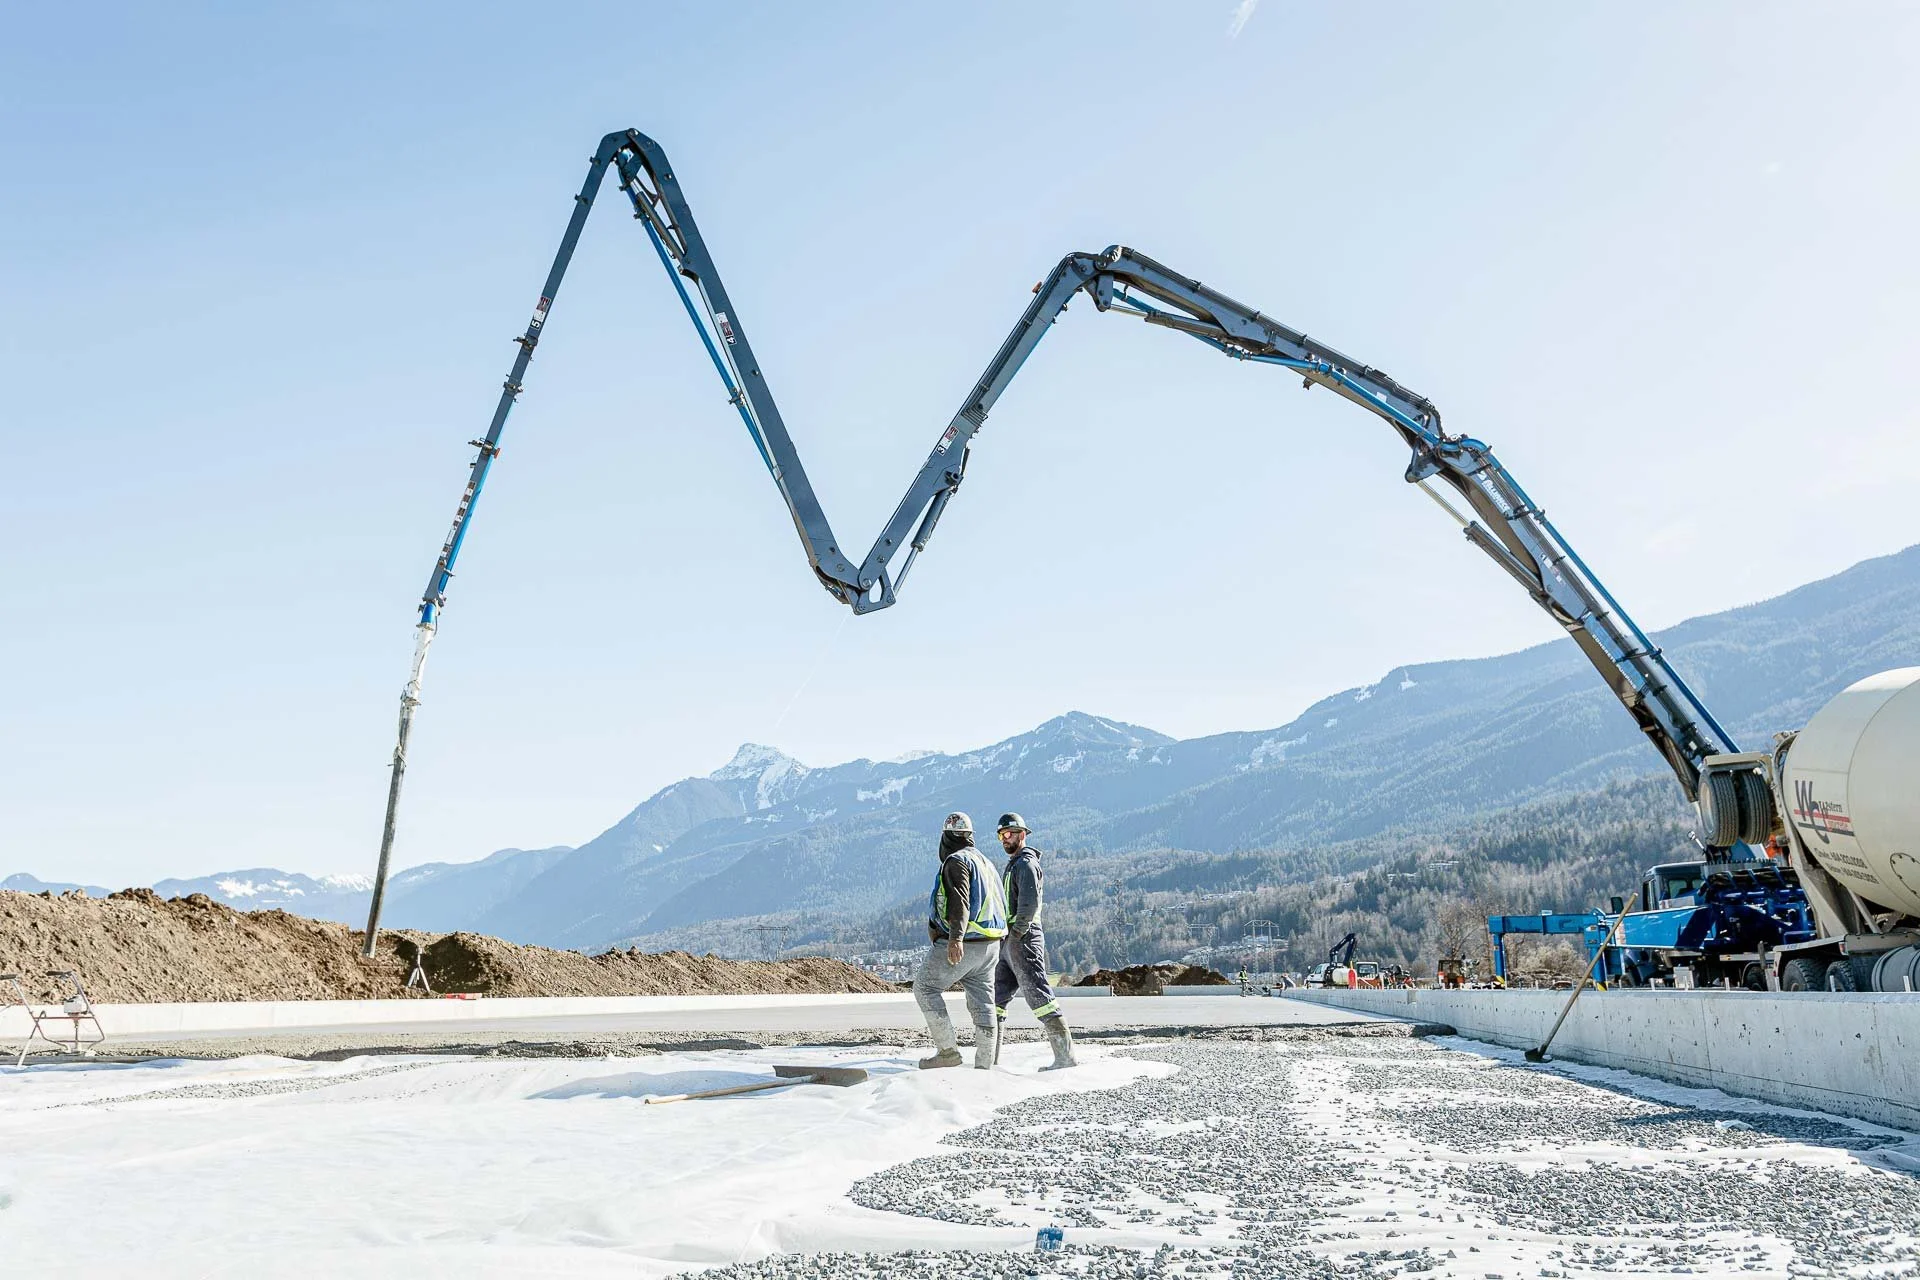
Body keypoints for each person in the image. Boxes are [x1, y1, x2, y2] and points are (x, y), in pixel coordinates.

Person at [914, 811, 1008, 1070]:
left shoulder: (956, 861)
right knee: (984, 1001)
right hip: (990, 946)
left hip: (963, 942)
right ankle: (984, 1061)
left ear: (946, 837)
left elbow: (960, 900)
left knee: (925, 987)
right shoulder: (985, 861)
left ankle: (947, 1052)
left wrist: (955, 938)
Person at [991, 813, 1076, 1070]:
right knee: (996, 998)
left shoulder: (1026, 864)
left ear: (1023, 835)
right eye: (1002, 835)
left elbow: (1029, 904)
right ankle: (989, 1059)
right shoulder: (1014, 864)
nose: (1006, 838)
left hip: (1023, 939)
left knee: (1039, 993)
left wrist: (1016, 934)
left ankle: (1065, 1057)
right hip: (1009, 940)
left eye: (1011, 833)